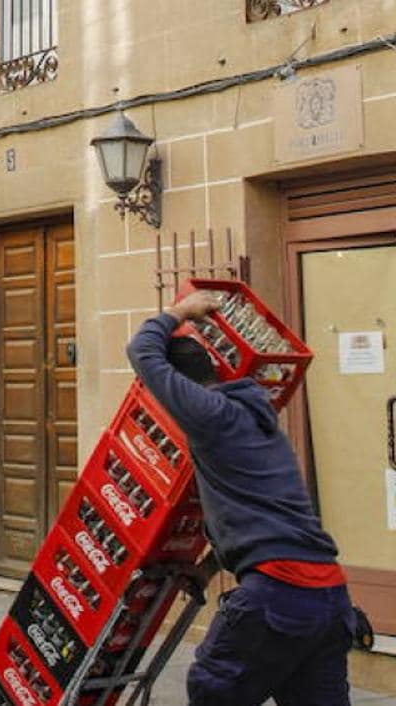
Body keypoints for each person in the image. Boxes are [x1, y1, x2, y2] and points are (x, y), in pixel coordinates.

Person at [127, 290, 353, 706]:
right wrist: (209, 568)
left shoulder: (208, 413)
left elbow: (141, 349)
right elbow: (259, 509)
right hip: (329, 596)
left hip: (277, 595)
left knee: (215, 691)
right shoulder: (259, 420)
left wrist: (181, 311)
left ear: (182, 386)